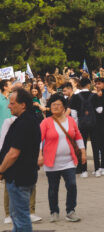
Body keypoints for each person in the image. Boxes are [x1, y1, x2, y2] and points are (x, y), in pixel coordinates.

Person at [39, 94, 85, 222]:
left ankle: (70, 211)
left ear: (64, 107)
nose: (55, 107)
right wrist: (39, 155)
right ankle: (54, 211)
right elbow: (39, 139)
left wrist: (83, 152)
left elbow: (78, 136)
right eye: (53, 105)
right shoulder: (46, 122)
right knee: (53, 188)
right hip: (51, 162)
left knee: (71, 185)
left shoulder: (70, 121)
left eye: (58, 104)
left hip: (69, 161)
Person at [0, 88, 41, 231]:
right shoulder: (26, 120)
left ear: (23, 104)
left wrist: (0, 169)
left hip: (19, 178)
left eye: (12, 103)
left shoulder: (25, 122)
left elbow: (13, 153)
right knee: (16, 217)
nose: (8, 106)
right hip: (20, 177)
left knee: (21, 218)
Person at [68, 77, 97, 178]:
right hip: (93, 124)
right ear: (89, 85)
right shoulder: (94, 95)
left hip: (81, 124)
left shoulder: (76, 97)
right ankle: (97, 169)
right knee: (95, 146)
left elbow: (74, 113)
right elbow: (100, 110)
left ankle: (84, 170)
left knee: (82, 147)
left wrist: (76, 126)